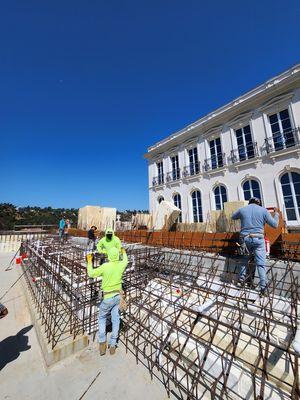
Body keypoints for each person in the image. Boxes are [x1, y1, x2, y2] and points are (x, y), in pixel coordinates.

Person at [232, 197, 279, 296]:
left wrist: (242, 215)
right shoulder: (263, 210)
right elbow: (275, 225)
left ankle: (241, 282)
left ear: (249, 203)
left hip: (244, 239)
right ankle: (263, 288)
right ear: (259, 203)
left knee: (243, 261)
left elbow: (233, 217)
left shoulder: (242, 209)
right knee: (261, 264)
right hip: (258, 239)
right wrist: (276, 214)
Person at [86, 247, 128, 356]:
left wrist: (89, 261)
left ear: (109, 256)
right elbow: (125, 261)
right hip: (118, 296)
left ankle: (102, 344)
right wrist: (123, 252)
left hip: (107, 297)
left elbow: (91, 273)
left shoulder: (105, 266)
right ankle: (113, 344)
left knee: (102, 318)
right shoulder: (120, 265)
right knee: (116, 319)